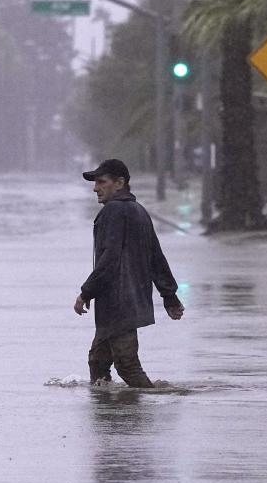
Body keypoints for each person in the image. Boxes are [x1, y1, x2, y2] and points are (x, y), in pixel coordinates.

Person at [73, 159, 185, 388]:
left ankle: (138, 417)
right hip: (131, 301)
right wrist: (169, 296)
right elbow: (156, 257)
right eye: (95, 183)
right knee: (98, 361)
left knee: (127, 365)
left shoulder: (112, 212)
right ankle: (108, 412)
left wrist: (86, 292)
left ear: (120, 183)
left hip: (118, 303)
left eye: (101, 182)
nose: (95, 188)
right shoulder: (139, 211)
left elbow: (109, 260)